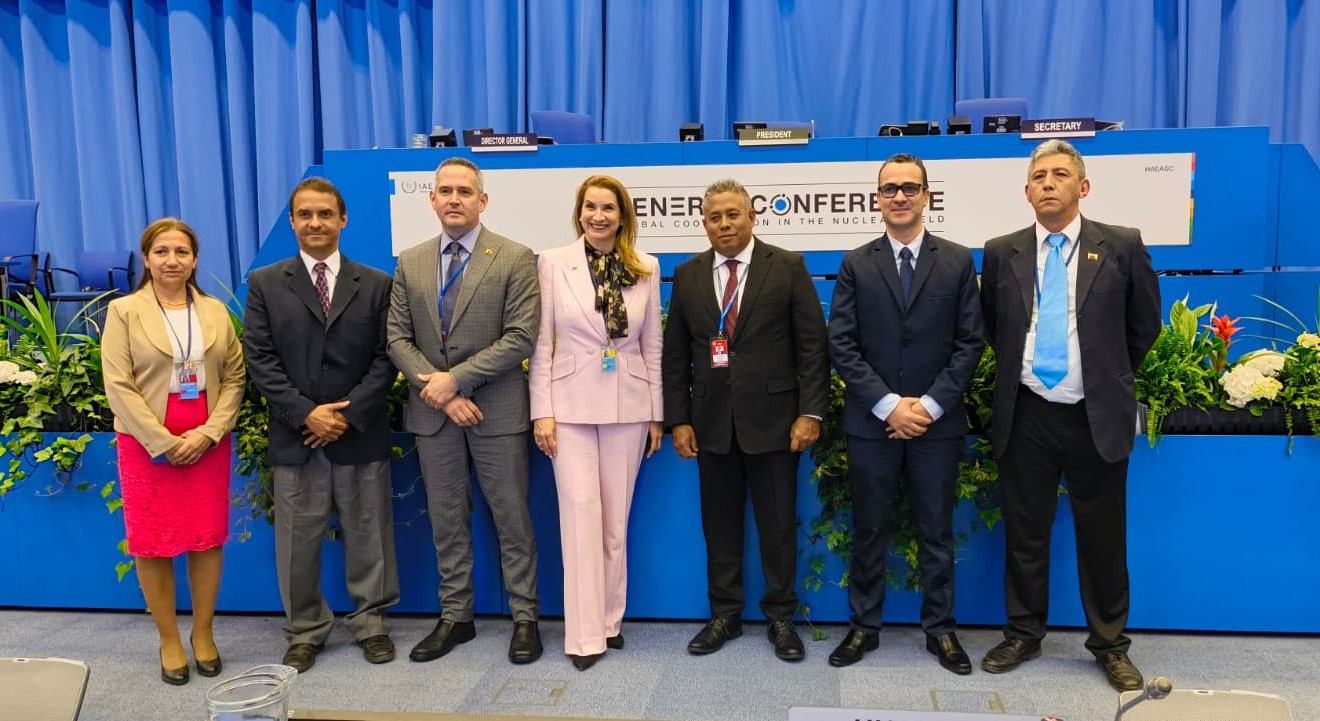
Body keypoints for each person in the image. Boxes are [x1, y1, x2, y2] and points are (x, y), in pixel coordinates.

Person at [979, 139, 1161, 691]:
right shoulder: (1000, 249)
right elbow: (995, 327)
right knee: (1025, 533)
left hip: (1095, 413)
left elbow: (1144, 325)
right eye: (1040, 175)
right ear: (1027, 190)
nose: (1049, 182)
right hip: (1028, 412)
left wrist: (1104, 375)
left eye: (1061, 174)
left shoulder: (1122, 245)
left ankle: (1110, 644)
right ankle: (1022, 634)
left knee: (1103, 536)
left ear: (1083, 187)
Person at [826, 154, 984, 673]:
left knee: (936, 531)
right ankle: (862, 629)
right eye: (889, 188)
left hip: (937, 424)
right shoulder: (856, 263)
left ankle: (941, 631)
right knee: (869, 528)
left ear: (926, 196)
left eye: (909, 188)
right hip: (873, 422)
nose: (899, 196)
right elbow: (842, 344)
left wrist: (930, 406)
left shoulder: (958, 261)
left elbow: (970, 342)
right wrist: (891, 406)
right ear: (877, 198)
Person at [661, 178, 829, 662]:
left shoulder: (788, 267)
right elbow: (676, 357)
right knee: (720, 526)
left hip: (778, 423)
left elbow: (812, 346)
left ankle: (781, 618)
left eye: (733, 214)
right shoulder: (689, 274)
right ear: (704, 223)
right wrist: (679, 420)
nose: (724, 224)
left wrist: (810, 412)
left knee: (777, 526)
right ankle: (725, 615)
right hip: (710, 423)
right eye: (714, 217)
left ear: (752, 217)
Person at [386, 157, 544, 665]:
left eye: (464, 191)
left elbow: (521, 335)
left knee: (512, 518)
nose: (454, 198)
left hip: (496, 412)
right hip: (435, 414)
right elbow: (396, 337)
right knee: (446, 520)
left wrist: (458, 379)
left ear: (483, 200)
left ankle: (525, 618)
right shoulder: (410, 261)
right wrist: (443, 392)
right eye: (445, 190)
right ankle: (457, 617)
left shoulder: (515, 257)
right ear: (431, 199)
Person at [243, 178, 400, 673]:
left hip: (359, 432)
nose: (315, 223)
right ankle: (306, 630)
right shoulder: (266, 283)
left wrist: (346, 414)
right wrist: (305, 412)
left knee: (369, 533)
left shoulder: (376, 284)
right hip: (297, 434)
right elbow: (260, 359)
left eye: (325, 214)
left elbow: (387, 357)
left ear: (343, 220)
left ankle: (371, 623)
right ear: (292, 221)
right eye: (305, 215)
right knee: (297, 543)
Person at [101, 218, 245, 685]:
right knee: (153, 542)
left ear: (195, 260)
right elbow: (118, 385)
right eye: (161, 252)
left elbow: (236, 378)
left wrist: (209, 432)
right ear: (146, 259)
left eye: (181, 252)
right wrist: (163, 442)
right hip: (147, 447)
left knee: (206, 539)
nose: (172, 260)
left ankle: (203, 634)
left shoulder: (216, 311)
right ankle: (168, 639)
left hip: (208, 442)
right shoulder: (124, 311)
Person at [528, 175, 664, 671]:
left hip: (629, 404)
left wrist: (657, 414)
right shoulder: (551, 262)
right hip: (568, 407)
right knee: (580, 516)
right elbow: (542, 343)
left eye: (608, 207)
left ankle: (610, 619)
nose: (598, 215)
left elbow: (653, 346)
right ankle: (583, 636)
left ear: (623, 215)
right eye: (591, 207)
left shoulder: (645, 266)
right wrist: (541, 410)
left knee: (614, 522)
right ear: (579, 212)